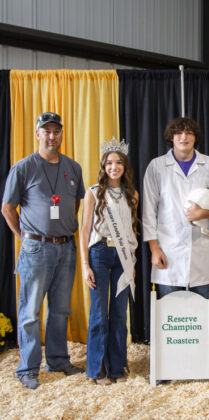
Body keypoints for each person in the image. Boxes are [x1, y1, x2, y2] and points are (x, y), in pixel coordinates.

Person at [1, 112, 85, 389]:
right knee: (30, 313)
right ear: (37, 134)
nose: (51, 136)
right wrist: (24, 238)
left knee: (60, 310)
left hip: (67, 248)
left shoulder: (73, 168)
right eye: (46, 131)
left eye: (56, 131)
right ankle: (27, 368)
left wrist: (64, 227)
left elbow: (75, 204)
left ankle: (58, 360)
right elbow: (7, 208)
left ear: (62, 134)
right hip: (36, 249)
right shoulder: (23, 168)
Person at [142, 117, 209, 298]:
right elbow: (149, 211)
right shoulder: (156, 166)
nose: (184, 137)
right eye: (178, 133)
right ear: (171, 137)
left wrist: (206, 213)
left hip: (202, 249)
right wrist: (154, 249)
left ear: (195, 137)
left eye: (189, 133)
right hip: (168, 250)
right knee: (170, 310)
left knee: (201, 311)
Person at [80, 138, 139, 386]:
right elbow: (84, 230)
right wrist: (85, 265)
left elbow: (133, 230)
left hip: (123, 256)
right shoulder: (93, 192)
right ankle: (97, 369)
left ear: (125, 167)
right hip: (100, 253)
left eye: (119, 163)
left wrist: (132, 262)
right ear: (104, 167)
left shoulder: (132, 194)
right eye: (109, 163)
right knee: (98, 314)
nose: (114, 167)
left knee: (119, 313)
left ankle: (117, 366)